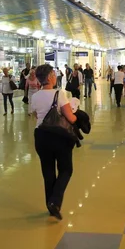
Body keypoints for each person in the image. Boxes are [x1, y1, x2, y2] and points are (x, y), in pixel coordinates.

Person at [30, 64, 77, 221]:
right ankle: (55, 201)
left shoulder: (34, 96)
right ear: (50, 77)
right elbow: (71, 118)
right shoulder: (60, 94)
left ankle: (50, 206)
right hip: (59, 136)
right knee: (66, 169)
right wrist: (77, 114)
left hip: (41, 136)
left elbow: (37, 116)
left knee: (48, 171)